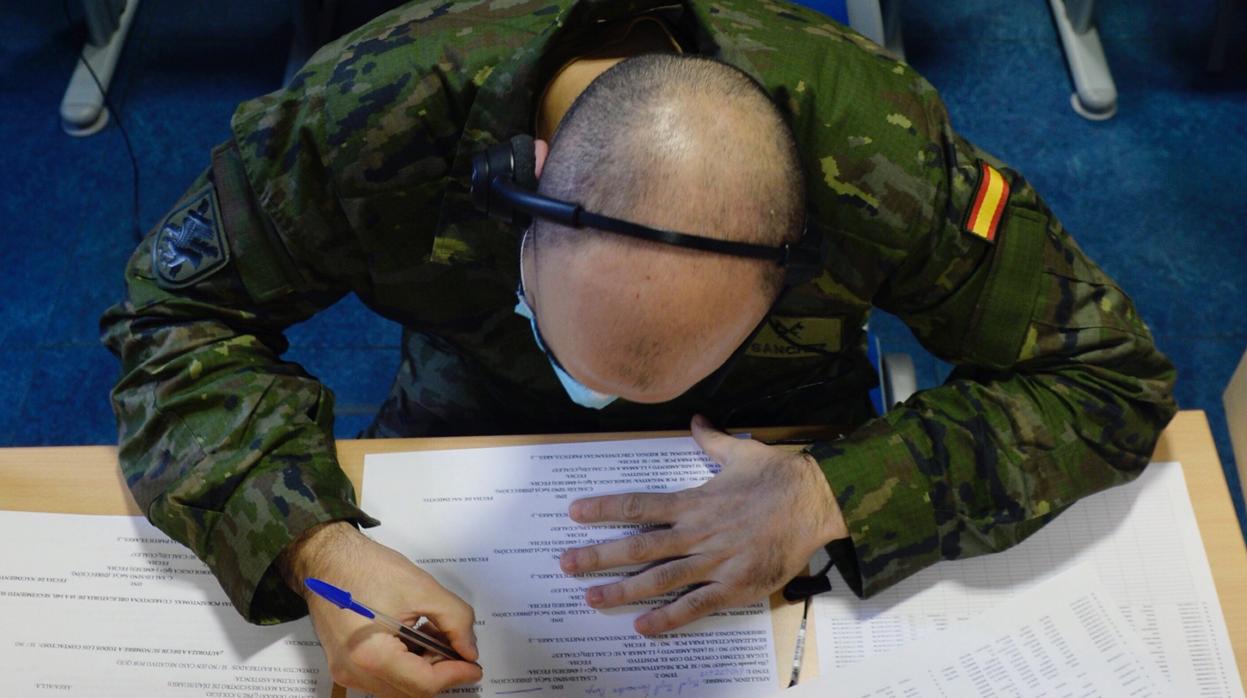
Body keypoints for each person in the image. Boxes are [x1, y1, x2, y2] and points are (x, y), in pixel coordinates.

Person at [100, 1, 1177, 695]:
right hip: (466, 420)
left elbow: (1108, 376)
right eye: (586, 357)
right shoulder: (380, 108)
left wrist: (836, 492)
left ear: (799, 253)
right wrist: (317, 553)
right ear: (518, 185)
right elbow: (173, 314)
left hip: (774, 446)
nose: (606, 409)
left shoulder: (870, 143)